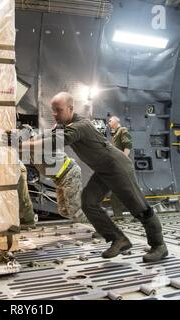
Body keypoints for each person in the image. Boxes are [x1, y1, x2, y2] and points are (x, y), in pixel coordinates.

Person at [15, 92, 168, 262]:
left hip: (117, 167)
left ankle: (159, 246)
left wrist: (19, 145)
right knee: (88, 203)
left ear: (70, 109)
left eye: (58, 110)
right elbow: (47, 136)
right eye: (53, 110)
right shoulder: (64, 125)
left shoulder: (81, 126)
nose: (54, 114)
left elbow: (53, 142)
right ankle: (118, 239)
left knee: (139, 208)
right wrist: (19, 138)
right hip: (102, 170)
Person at [108, 116, 132, 220]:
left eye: (110, 120)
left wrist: (123, 161)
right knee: (117, 191)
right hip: (118, 166)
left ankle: (119, 215)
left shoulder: (122, 130)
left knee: (120, 191)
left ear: (116, 121)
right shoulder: (115, 134)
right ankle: (118, 215)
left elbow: (127, 146)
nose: (108, 122)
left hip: (122, 166)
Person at [18, 160, 36, 229]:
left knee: (22, 195)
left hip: (17, 168)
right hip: (11, 168)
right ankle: (22, 219)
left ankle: (29, 221)